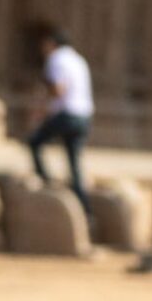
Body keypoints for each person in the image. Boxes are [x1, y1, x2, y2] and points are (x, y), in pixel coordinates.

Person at [27, 25, 94, 222]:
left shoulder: (56, 59)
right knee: (74, 164)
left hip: (67, 114)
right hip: (84, 116)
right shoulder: (79, 59)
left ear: (52, 43)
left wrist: (40, 110)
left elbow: (58, 90)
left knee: (34, 142)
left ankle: (46, 185)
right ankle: (85, 210)